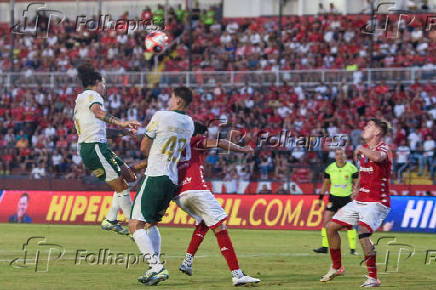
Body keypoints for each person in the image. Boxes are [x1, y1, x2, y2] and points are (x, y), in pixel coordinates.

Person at [177, 121, 260, 286]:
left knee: (204, 221)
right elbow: (220, 143)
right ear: (200, 134)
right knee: (220, 227)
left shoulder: (176, 145)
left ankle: (187, 261)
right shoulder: (196, 141)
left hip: (179, 194)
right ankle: (237, 274)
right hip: (196, 190)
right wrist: (244, 149)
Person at [128, 87, 194, 286]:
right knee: (151, 224)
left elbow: (144, 146)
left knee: (135, 224)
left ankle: (156, 267)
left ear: (179, 101)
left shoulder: (161, 116)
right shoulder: (189, 123)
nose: (169, 100)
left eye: (172, 98)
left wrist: (151, 155)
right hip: (171, 179)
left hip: (155, 174)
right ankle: (154, 268)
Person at [320, 119, 392, 288]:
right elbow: (363, 172)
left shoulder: (383, 149)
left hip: (377, 202)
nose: (364, 128)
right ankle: (337, 267)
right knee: (330, 227)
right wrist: (357, 188)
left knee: (363, 233)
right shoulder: (363, 152)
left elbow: (378, 157)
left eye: (369, 126)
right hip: (360, 200)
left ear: (377, 132)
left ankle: (373, 278)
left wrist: (361, 148)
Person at [74, 63, 139, 235]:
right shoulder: (91, 95)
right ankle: (136, 228)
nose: (105, 87)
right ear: (96, 83)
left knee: (129, 177)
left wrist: (124, 132)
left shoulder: (83, 99)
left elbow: (102, 129)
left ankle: (111, 219)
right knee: (122, 187)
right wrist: (122, 122)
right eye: (103, 83)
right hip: (93, 148)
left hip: (98, 146)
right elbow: (99, 113)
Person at [314, 148, 359, 255]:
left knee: (349, 224)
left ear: (345, 155)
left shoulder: (352, 168)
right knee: (326, 221)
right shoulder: (330, 168)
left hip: (346, 199)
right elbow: (326, 184)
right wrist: (320, 198)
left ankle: (352, 249)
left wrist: (356, 195)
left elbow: (358, 185)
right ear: (335, 156)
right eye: (337, 154)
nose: (340, 156)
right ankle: (324, 247)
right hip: (333, 198)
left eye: (341, 154)